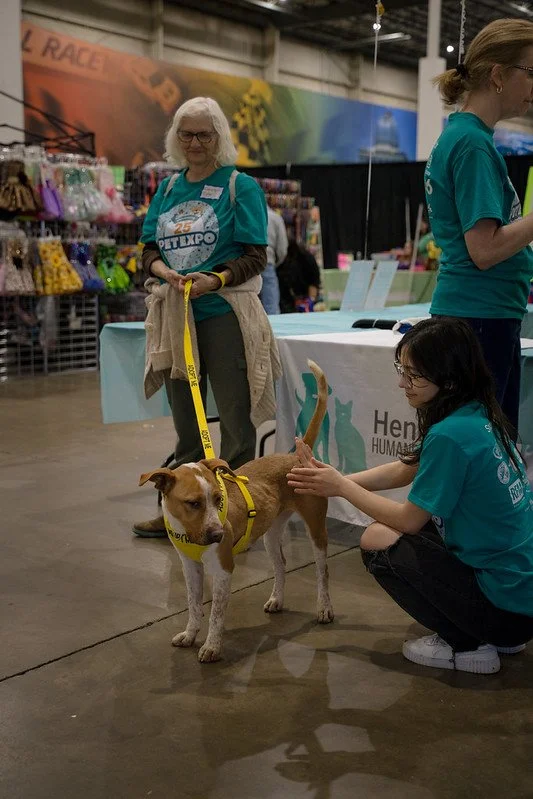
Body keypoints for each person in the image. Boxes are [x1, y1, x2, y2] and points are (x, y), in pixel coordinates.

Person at [287, 318, 533, 674]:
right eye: (402, 368)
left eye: (415, 375)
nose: (402, 382)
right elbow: (405, 469)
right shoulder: (476, 412)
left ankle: (467, 645)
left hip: (504, 606)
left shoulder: (449, 434)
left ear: (448, 380)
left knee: (377, 540)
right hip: (521, 601)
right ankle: (498, 635)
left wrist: (339, 487)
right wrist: (328, 479)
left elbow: (408, 519)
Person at [133, 96, 281, 537]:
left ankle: (236, 516)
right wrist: (166, 274)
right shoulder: (167, 188)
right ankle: (181, 513)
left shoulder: (241, 186)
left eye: (204, 134)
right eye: (187, 134)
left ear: (220, 137)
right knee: (186, 422)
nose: (195, 142)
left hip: (223, 314)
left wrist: (211, 281)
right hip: (177, 317)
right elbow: (148, 250)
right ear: (175, 138)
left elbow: (256, 257)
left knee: (235, 424)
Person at [427, 18, 533, 435]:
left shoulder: (465, 137)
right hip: (479, 317)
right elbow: (485, 250)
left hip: (478, 314)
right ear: (498, 75)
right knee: (483, 455)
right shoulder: (472, 145)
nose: (532, 87)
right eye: (530, 72)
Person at [277, 239, 321, 313]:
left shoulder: (307, 259)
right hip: (289, 296)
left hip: (303, 291)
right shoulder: (282, 264)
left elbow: (314, 282)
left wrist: (310, 300)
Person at [259, 206, 288, 315]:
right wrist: (275, 262)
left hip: (245, 265)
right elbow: (282, 248)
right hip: (267, 262)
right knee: (271, 307)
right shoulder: (275, 218)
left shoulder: (243, 214)